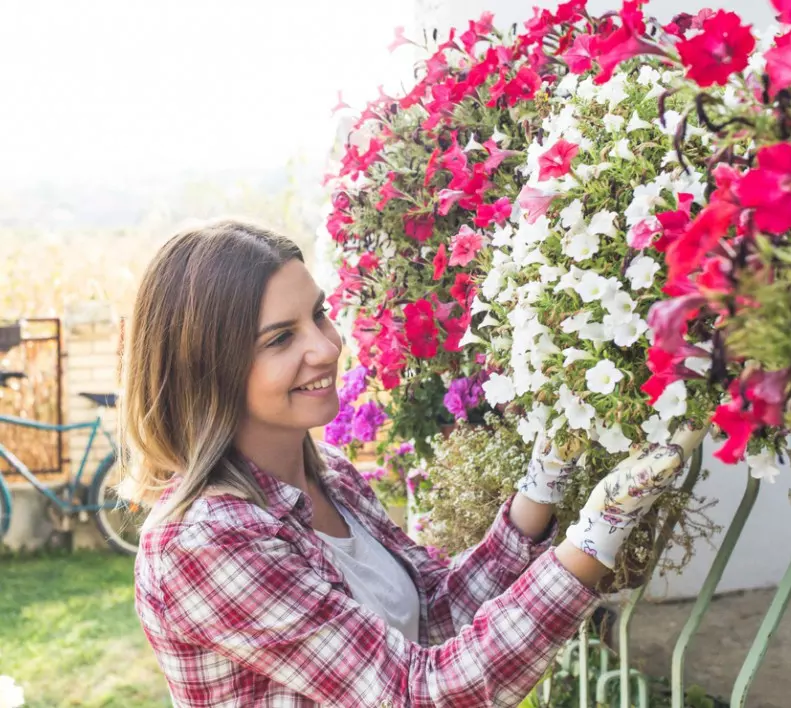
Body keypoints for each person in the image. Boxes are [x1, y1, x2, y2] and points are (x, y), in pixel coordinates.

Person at [124, 218, 705, 707]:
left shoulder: (333, 479)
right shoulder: (203, 541)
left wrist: (542, 483)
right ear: (207, 369)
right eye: (280, 339)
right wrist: (597, 534)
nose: (326, 347)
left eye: (319, 315)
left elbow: (434, 612)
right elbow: (415, 694)